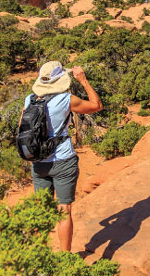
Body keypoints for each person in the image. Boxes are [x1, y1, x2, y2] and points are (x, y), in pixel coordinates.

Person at [26, 61, 102, 252]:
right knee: (64, 210)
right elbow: (96, 105)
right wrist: (83, 81)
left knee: (41, 210)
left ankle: (38, 255)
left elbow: (23, 127)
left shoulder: (29, 100)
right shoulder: (66, 99)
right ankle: (65, 258)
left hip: (39, 163)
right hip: (63, 160)